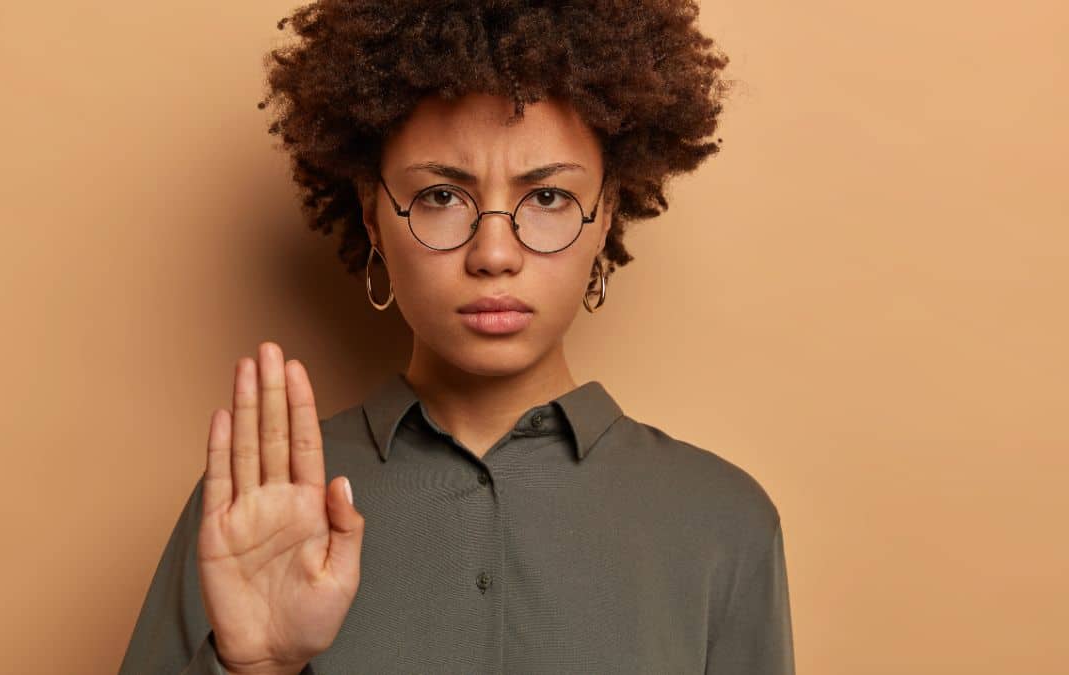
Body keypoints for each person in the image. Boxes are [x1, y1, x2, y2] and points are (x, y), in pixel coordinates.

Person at [119, 1, 794, 673]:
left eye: (548, 197)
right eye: (441, 196)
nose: (494, 254)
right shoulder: (253, 509)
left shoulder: (722, 522)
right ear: (373, 215)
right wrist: (255, 666)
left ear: (605, 211)